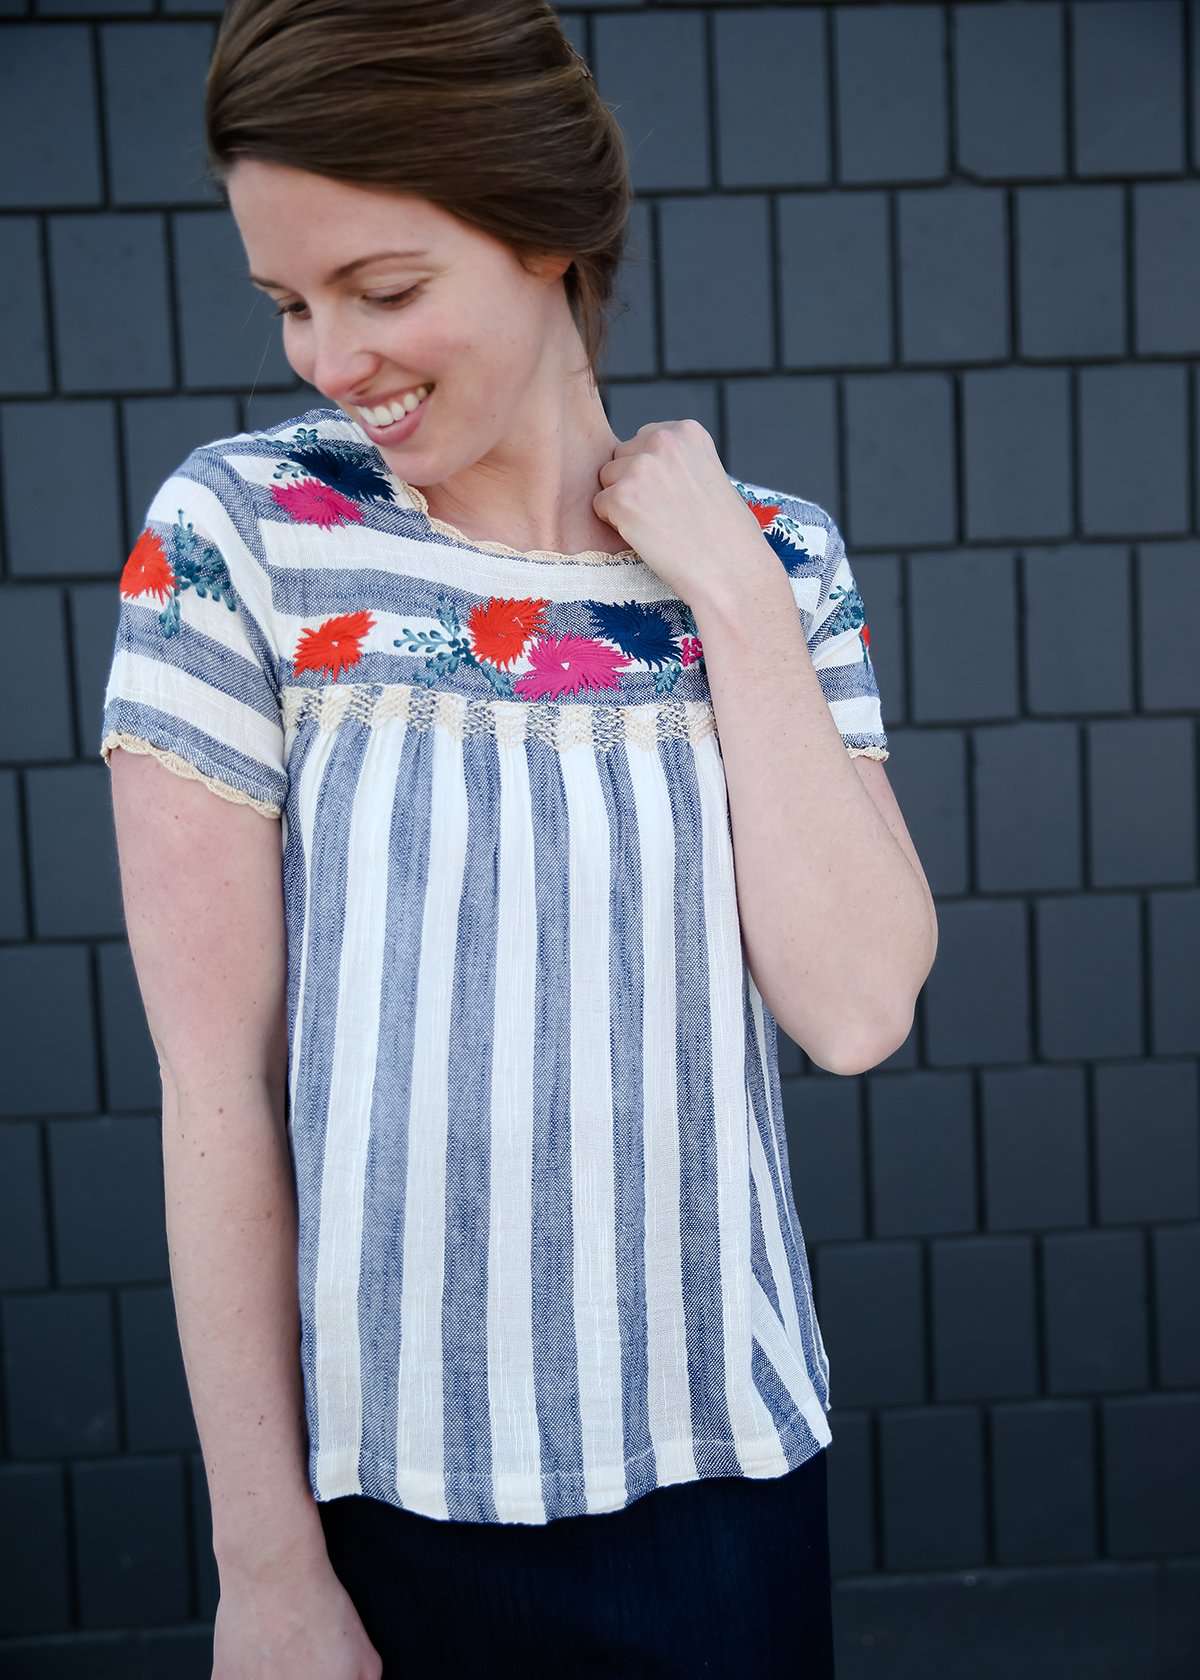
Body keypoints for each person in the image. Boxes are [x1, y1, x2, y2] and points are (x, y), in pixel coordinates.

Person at [99, 2, 937, 1675]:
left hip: (723, 1495)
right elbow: (216, 1089)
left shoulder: (776, 558)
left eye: (383, 291)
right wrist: (267, 1565)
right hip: (384, 1516)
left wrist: (738, 605)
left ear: (547, 234)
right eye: (290, 302)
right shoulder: (241, 540)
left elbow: (854, 1008)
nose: (329, 362)